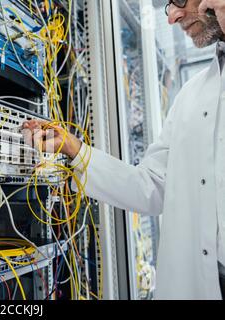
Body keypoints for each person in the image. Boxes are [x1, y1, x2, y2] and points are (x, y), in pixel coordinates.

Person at [22, 0, 225, 300]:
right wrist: (73, 148)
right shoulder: (190, 96)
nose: (171, 16)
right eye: (167, 5)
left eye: (179, 1)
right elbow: (150, 186)